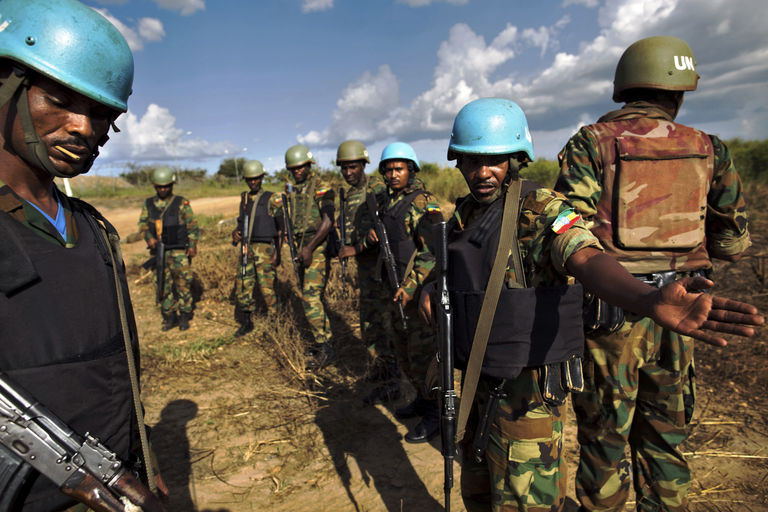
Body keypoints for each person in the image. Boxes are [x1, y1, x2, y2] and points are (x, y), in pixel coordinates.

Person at [418, 97, 762, 511]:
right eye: (471, 161)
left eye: (494, 160)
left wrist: (648, 298)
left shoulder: (543, 210)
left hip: (526, 395)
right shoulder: (464, 216)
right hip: (476, 380)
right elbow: (455, 263)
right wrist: (429, 285)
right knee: (477, 492)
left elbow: (586, 257)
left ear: (517, 157)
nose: (482, 172)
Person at [554, 36, 753, 512]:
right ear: (679, 92)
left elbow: (565, 230)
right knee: (666, 437)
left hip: (610, 317)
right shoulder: (709, 148)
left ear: (624, 89)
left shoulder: (591, 142)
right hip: (684, 314)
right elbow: (732, 243)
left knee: (603, 441)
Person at [0, 0, 167, 508]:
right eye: (60, 98)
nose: (83, 127)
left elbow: (122, 369)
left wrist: (145, 460)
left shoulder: (93, 228)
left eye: (101, 114)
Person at [367, 142, 444, 442]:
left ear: (411, 170)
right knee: (404, 353)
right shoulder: (387, 202)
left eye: (399, 168)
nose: (393, 174)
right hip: (394, 292)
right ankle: (423, 402)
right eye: (388, 169)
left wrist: (411, 286)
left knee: (424, 357)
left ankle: (436, 412)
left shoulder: (423, 202)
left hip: (417, 296)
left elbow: (433, 251)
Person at [334, 140, 399, 399]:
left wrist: (356, 248)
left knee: (385, 323)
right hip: (366, 271)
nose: (348, 173)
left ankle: (393, 379)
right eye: (344, 168)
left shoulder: (377, 189)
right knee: (369, 322)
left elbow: (384, 230)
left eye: (352, 167)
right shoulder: (349, 194)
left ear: (363, 165)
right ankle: (380, 369)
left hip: (381, 269)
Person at [282, 144, 335, 367]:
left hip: (317, 247)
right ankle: (321, 341)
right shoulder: (293, 190)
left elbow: (328, 222)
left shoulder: (321, 187)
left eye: (301, 167)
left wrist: (309, 248)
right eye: (293, 169)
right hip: (302, 247)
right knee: (311, 295)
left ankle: (325, 347)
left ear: (309, 165)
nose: (297, 172)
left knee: (310, 296)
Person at [138, 166, 200, 331]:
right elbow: (142, 224)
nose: (163, 189)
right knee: (162, 284)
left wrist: (192, 245)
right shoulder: (149, 204)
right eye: (159, 186)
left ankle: (185, 317)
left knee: (183, 284)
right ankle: (169, 317)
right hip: (159, 252)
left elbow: (192, 226)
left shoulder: (181, 202)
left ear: (172, 185)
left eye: (166, 186)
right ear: (155, 186)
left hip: (179, 251)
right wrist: (149, 237)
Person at [231, 159, 281, 337]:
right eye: (250, 179)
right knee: (243, 284)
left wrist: (278, 252)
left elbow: (280, 228)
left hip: (265, 248)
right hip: (246, 248)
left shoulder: (271, 198)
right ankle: (246, 322)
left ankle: (276, 322)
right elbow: (240, 223)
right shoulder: (244, 199)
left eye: (256, 178)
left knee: (267, 287)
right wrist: (236, 234)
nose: (253, 182)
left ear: (261, 178)